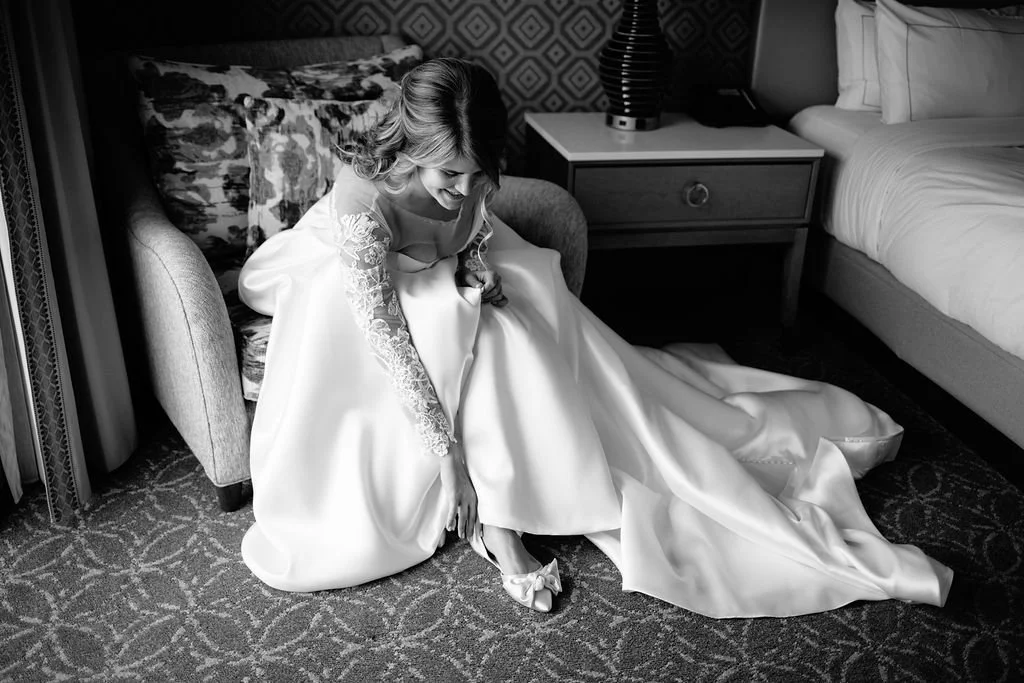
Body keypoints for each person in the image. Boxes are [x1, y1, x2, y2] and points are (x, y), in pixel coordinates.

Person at [238, 57, 953, 617]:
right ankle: (501, 521)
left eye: (477, 173)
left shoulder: (473, 179)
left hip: (440, 273)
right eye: (448, 173)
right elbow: (386, 334)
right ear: (412, 151)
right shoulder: (365, 202)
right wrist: (443, 451)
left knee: (513, 319)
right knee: (458, 325)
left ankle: (511, 506)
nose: (463, 187)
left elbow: (474, 228)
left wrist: (477, 265)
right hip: (360, 288)